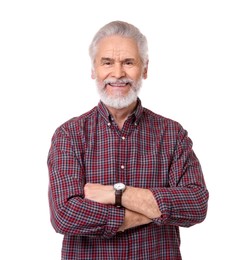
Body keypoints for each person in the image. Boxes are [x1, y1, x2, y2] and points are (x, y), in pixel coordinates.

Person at [48, 20, 209, 260]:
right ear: (93, 69)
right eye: (107, 62)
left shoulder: (172, 134)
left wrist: (117, 194)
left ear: (144, 69)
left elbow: (196, 203)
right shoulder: (69, 135)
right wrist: (149, 211)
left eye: (128, 62)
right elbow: (65, 215)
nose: (118, 73)